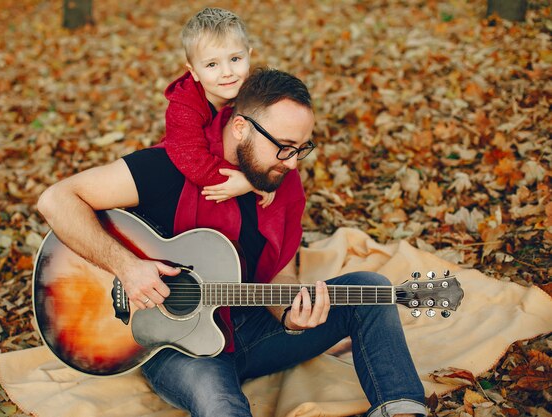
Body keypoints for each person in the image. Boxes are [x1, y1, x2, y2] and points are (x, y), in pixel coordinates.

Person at [37, 68, 427, 417]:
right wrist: (126, 266)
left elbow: (279, 279)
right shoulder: (165, 169)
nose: (292, 163)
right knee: (221, 406)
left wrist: (292, 318)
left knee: (371, 290)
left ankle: (402, 409)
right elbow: (56, 200)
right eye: (284, 146)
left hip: (251, 330)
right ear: (240, 127)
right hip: (174, 344)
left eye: (301, 149)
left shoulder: (280, 183)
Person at [163, 7, 275, 207]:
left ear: (248, 56)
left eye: (235, 59)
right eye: (212, 65)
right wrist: (251, 181)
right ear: (194, 71)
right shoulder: (183, 108)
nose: (227, 72)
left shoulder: (254, 93)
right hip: (182, 179)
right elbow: (194, 162)